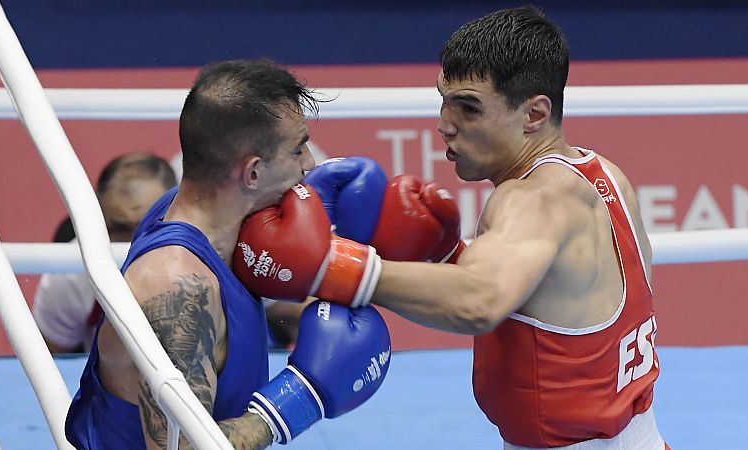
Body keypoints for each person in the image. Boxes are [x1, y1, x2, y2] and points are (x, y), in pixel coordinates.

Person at [237, 6, 667, 449]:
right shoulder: (602, 174)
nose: (445, 125)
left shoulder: (532, 198)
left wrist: (332, 267)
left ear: (534, 114)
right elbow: (557, 297)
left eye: (469, 107)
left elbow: (479, 301)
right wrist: (446, 258)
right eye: (444, 100)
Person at [65, 59, 391, 450]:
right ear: (252, 174)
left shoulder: (206, 213)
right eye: (298, 149)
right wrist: (295, 404)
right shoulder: (177, 287)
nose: (310, 164)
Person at [33, 152, 177, 353]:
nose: (133, 244)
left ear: (177, 213)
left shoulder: (212, 258)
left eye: (148, 227)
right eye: (120, 229)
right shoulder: (69, 275)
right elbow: (52, 366)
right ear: (97, 217)